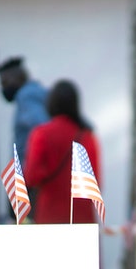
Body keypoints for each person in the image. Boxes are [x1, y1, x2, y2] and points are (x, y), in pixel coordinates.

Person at [23, 80, 103, 225]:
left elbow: (31, 177)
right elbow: (96, 182)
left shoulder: (41, 134)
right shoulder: (88, 136)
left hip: (50, 215)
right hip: (82, 216)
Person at [0, 57, 49, 164]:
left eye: (5, 82)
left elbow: (42, 129)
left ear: (18, 77)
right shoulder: (37, 93)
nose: (3, 88)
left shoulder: (26, 97)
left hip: (31, 172)